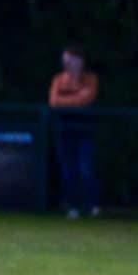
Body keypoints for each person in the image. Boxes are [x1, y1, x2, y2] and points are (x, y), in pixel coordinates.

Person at [49, 45, 99, 218]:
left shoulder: (91, 79)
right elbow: (54, 102)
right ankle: (73, 206)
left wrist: (67, 100)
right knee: (68, 169)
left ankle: (92, 206)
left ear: (80, 62)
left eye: (70, 61)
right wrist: (77, 98)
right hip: (64, 130)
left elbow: (88, 98)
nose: (67, 64)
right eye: (65, 61)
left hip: (85, 131)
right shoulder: (58, 80)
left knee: (86, 168)